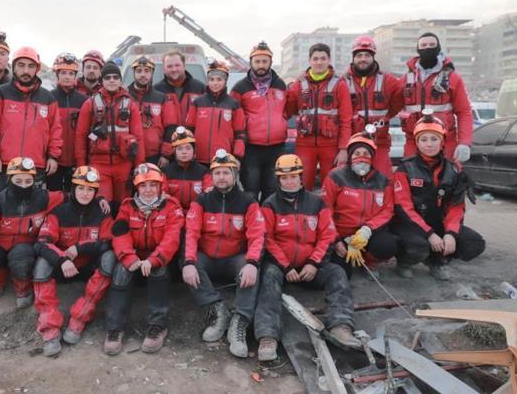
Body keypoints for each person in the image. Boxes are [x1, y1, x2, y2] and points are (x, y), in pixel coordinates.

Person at [255, 154, 359, 361]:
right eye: (284, 178)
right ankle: (267, 336)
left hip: (311, 266)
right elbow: (267, 239)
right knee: (268, 277)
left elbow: (327, 235)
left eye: (293, 176)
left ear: (301, 177)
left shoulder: (317, 203)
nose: (289, 181)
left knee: (337, 272)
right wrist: (285, 267)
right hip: (282, 268)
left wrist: (313, 263)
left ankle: (341, 325)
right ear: (278, 180)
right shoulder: (269, 205)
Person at [182, 150, 265, 358]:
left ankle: (239, 322)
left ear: (234, 175)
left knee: (252, 270)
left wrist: (252, 263)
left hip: (234, 258)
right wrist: (189, 262)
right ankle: (217, 310)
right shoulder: (201, 201)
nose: (221, 177)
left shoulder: (248, 202)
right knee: (186, 262)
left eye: (226, 173)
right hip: (208, 258)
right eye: (217, 173)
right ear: (212, 176)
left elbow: (257, 235)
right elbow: (191, 234)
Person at [392, 110, 485, 280]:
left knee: (474, 243)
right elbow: (403, 207)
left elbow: (456, 208)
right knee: (419, 246)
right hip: (411, 225)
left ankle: (438, 261)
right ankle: (405, 260)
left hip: (438, 223)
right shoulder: (405, 169)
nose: (429, 144)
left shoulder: (453, 171)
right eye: (424, 139)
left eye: (434, 139)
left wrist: (450, 233)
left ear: (442, 141)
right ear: (417, 142)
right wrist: (429, 234)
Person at [32, 166, 115, 357]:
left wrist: (80, 248)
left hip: (88, 266)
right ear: (73, 189)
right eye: (81, 188)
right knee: (41, 265)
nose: (85, 193)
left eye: (90, 189)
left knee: (110, 258)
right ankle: (49, 329)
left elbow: (107, 242)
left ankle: (79, 318)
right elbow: (42, 243)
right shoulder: (58, 213)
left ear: (95, 192)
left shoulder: (102, 213)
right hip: (64, 266)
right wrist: (61, 260)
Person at [105, 163, 184, 355]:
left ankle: (158, 326)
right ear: (136, 188)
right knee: (120, 271)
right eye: (143, 186)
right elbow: (120, 235)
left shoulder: (171, 206)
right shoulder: (126, 207)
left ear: (159, 187)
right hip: (135, 257)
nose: (148, 190)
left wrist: (154, 259)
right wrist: (130, 259)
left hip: (159, 259)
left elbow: (172, 238)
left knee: (160, 270)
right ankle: (115, 329)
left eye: (152, 185)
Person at [0, 157, 57, 310]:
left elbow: (73, 197)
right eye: (18, 181)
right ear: (9, 180)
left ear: (34, 181)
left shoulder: (43, 197)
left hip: (24, 245)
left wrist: (100, 199)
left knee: (21, 257)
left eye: (28, 181)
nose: (23, 186)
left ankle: (22, 289)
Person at [321, 126, 398, 278]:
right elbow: (325, 210)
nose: (361, 157)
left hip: (367, 234)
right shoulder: (335, 176)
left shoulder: (382, 181)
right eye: (357, 153)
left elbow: (387, 210)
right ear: (350, 156)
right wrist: (336, 240)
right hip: (341, 234)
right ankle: (345, 258)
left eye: (366, 154)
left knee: (388, 245)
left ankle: (368, 261)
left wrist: (367, 230)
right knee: (342, 273)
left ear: (372, 157)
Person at [0, 46, 63, 190]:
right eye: (21, 65)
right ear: (13, 67)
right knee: (2, 209)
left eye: (31, 66)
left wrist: (53, 157)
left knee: (33, 211)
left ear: (37, 69)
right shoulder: (0, 93)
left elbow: (55, 130)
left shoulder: (48, 98)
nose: (26, 71)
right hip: (4, 164)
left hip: (36, 165)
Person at [75, 61, 145, 214]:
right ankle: (104, 236)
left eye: (115, 77)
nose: (112, 80)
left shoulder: (130, 104)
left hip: (124, 164)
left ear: (120, 80)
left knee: (123, 206)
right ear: (102, 80)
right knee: (102, 206)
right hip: (99, 164)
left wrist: (139, 165)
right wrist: (81, 165)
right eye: (107, 77)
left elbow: (138, 137)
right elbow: (80, 136)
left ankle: (121, 237)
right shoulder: (90, 103)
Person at [286, 43, 353, 191]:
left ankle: (329, 214)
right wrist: (288, 89)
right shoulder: (299, 83)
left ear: (329, 60)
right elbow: (288, 109)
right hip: (305, 144)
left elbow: (346, 119)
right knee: (302, 185)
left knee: (332, 186)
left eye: (323, 58)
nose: (319, 62)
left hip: (331, 145)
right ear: (309, 61)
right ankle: (305, 214)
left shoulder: (339, 84)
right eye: (315, 59)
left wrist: (343, 149)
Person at [400, 32, 473, 162]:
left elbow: (464, 112)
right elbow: (390, 105)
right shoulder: (406, 78)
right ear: (418, 49)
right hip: (414, 142)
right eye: (423, 45)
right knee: (411, 179)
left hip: (445, 142)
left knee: (447, 180)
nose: (427, 48)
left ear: (438, 48)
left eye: (432, 45)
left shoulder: (452, 78)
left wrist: (464, 142)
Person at [230, 41, 288, 201]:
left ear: (270, 62)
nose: (261, 65)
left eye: (264, 61)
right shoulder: (240, 87)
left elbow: (287, 111)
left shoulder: (280, 84)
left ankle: (268, 222)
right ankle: (253, 222)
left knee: (272, 189)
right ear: (251, 62)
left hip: (276, 147)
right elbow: (234, 117)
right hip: (252, 148)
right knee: (251, 189)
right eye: (257, 61)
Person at [343, 35, 403, 177]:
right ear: (353, 58)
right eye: (359, 55)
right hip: (352, 143)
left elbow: (402, 97)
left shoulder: (388, 81)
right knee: (352, 184)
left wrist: (387, 116)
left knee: (385, 182)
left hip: (379, 143)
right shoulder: (343, 81)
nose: (363, 59)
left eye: (367, 55)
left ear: (373, 57)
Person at [185, 60, 246, 166]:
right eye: (211, 79)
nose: (215, 83)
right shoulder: (197, 103)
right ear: (207, 81)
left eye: (219, 79)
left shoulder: (233, 104)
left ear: (225, 81)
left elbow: (240, 134)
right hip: (199, 159)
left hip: (223, 159)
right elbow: (189, 131)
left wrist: (237, 156)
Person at [127, 55, 178, 166]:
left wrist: (165, 155)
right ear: (134, 73)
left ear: (152, 73)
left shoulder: (162, 98)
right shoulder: (124, 96)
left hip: (154, 157)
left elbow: (171, 127)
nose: (143, 75)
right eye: (139, 71)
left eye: (147, 71)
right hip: (128, 155)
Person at [48, 53, 88, 192]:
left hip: (76, 159)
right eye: (63, 73)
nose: (67, 76)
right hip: (54, 160)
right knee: (53, 197)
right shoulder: (49, 98)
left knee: (74, 197)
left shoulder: (83, 100)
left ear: (75, 76)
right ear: (57, 74)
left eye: (71, 73)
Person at [162, 126, 212, 211]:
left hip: (196, 213)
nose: (184, 152)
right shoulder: (166, 172)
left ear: (193, 151)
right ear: (174, 152)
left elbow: (208, 197)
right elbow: (163, 195)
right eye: (180, 149)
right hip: (173, 214)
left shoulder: (204, 172)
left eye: (188, 148)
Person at [153, 50, 205, 124]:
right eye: (169, 66)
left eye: (177, 65)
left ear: (184, 66)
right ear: (164, 69)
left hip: (193, 135)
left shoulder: (200, 89)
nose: (174, 69)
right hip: (167, 135)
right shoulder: (156, 91)